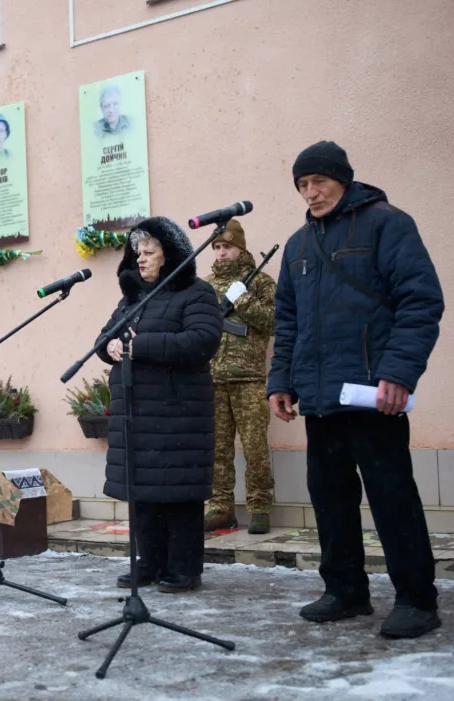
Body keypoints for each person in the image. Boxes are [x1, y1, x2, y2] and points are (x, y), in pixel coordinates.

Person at [268, 140, 445, 639]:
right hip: (321, 400)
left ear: (342, 178)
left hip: (373, 394)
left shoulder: (388, 223)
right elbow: (288, 320)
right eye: (302, 185)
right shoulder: (299, 245)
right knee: (330, 498)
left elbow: (420, 300)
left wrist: (398, 374)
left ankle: (416, 599)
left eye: (318, 181)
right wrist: (281, 380)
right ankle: (345, 590)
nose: (310, 193)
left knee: (392, 498)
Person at [96, 216, 222, 593]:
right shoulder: (132, 298)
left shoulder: (196, 293)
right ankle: (148, 562)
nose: (141, 258)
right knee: (144, 494)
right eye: (138, 252)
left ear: (170, 256)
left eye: (149, 251)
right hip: (136, 414)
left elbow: (203, 340)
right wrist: (111, 346)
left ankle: (184, 568)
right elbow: (103, 338)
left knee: (178, 494)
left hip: (177, 414)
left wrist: (141, 345)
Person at [202, 219, 277, 534]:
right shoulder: (204, 286)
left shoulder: (260, 281)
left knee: (255, 447)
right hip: (213, 379)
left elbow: (274, 322)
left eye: (227, 247)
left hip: (249, 379)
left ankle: (259, 507)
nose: (221, 253)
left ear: (241, 248)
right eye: (217, 247)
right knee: (217, 449)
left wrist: (242, 299)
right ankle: (220, 508)